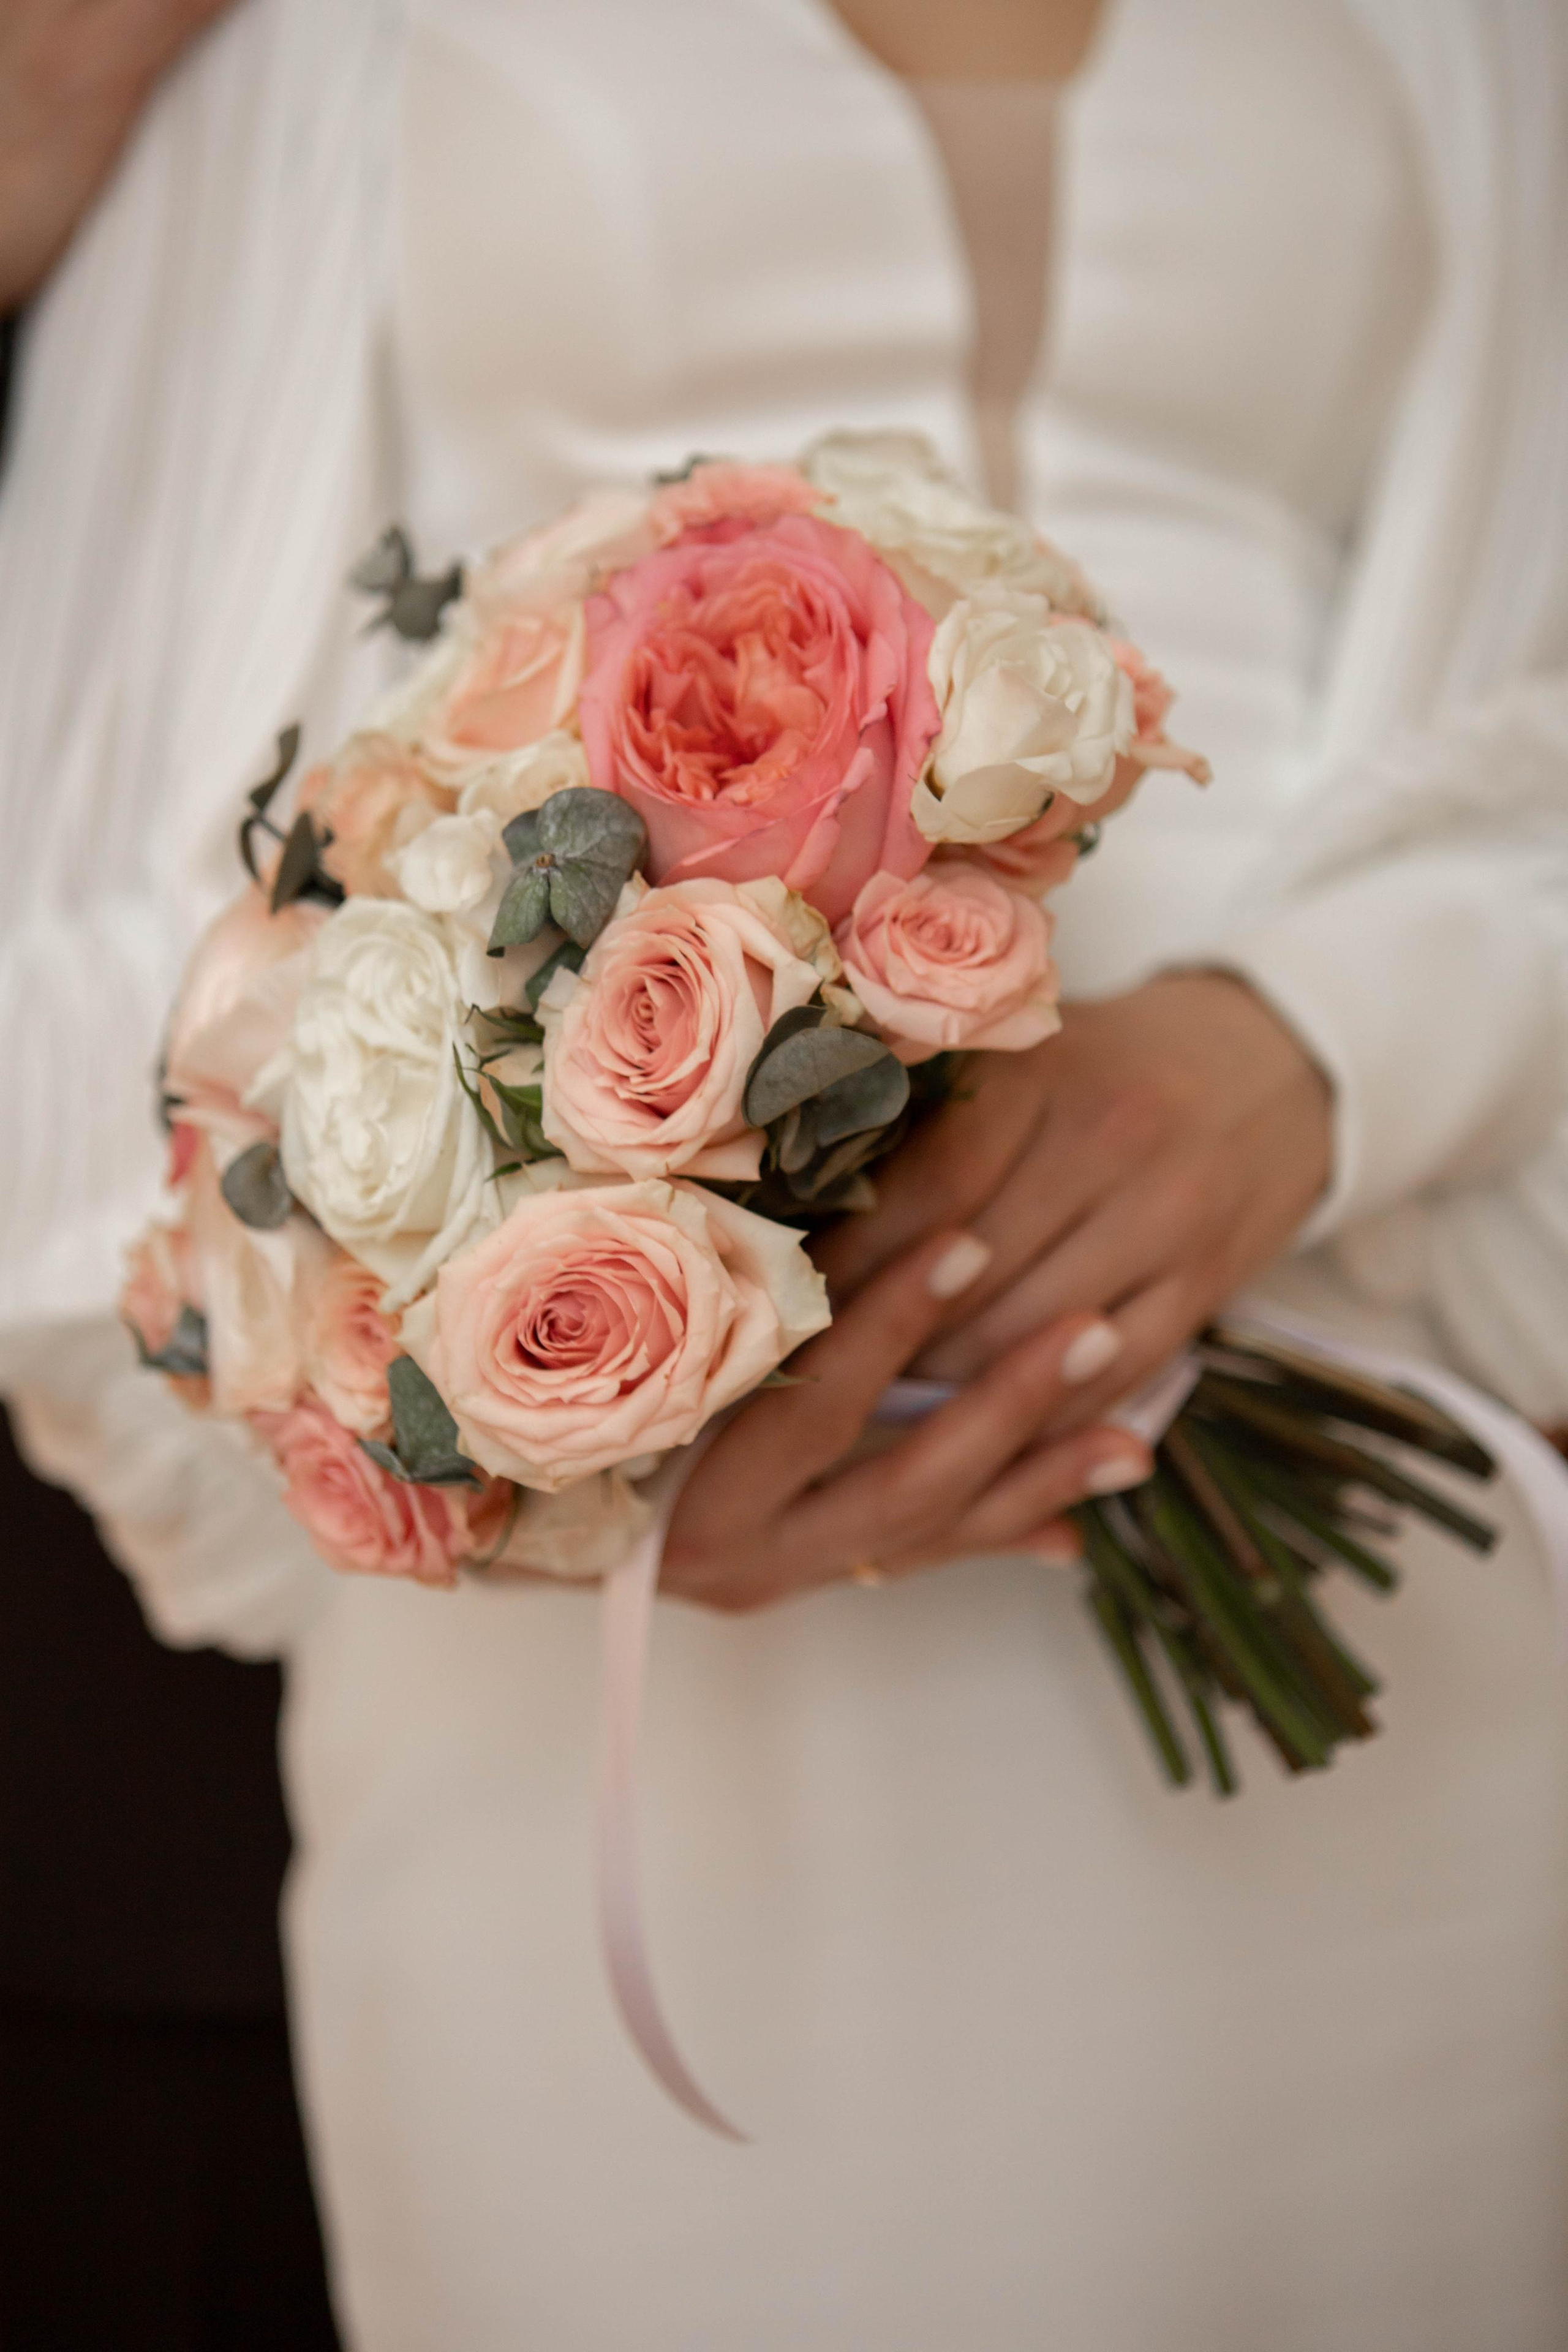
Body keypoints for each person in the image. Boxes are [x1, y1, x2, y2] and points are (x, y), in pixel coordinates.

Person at [2, 1, 1567, 2347]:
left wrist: (1331, 1050)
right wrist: (525, 1461)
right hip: (625, 1690)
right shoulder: (328, 39)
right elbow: (98, 831)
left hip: (1372, 1438)